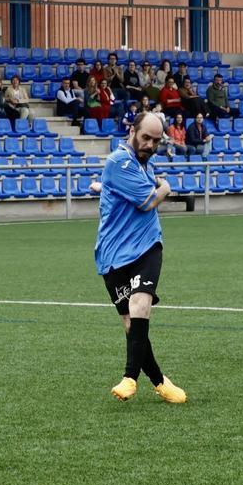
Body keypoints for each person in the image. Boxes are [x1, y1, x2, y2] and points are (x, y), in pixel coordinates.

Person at [90, 113, 186, 404]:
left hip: (147, 246)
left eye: (156, 141)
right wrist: (166, 187)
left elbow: (142, 190)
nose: (150, 144)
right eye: (146, 138)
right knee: (132, 324)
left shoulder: (144, 162)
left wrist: (155, 179)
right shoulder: (118, 162)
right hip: (113, 254)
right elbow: (148, 202)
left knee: (140, 302)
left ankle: (130, 377)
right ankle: (160, 381)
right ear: (131, 130)